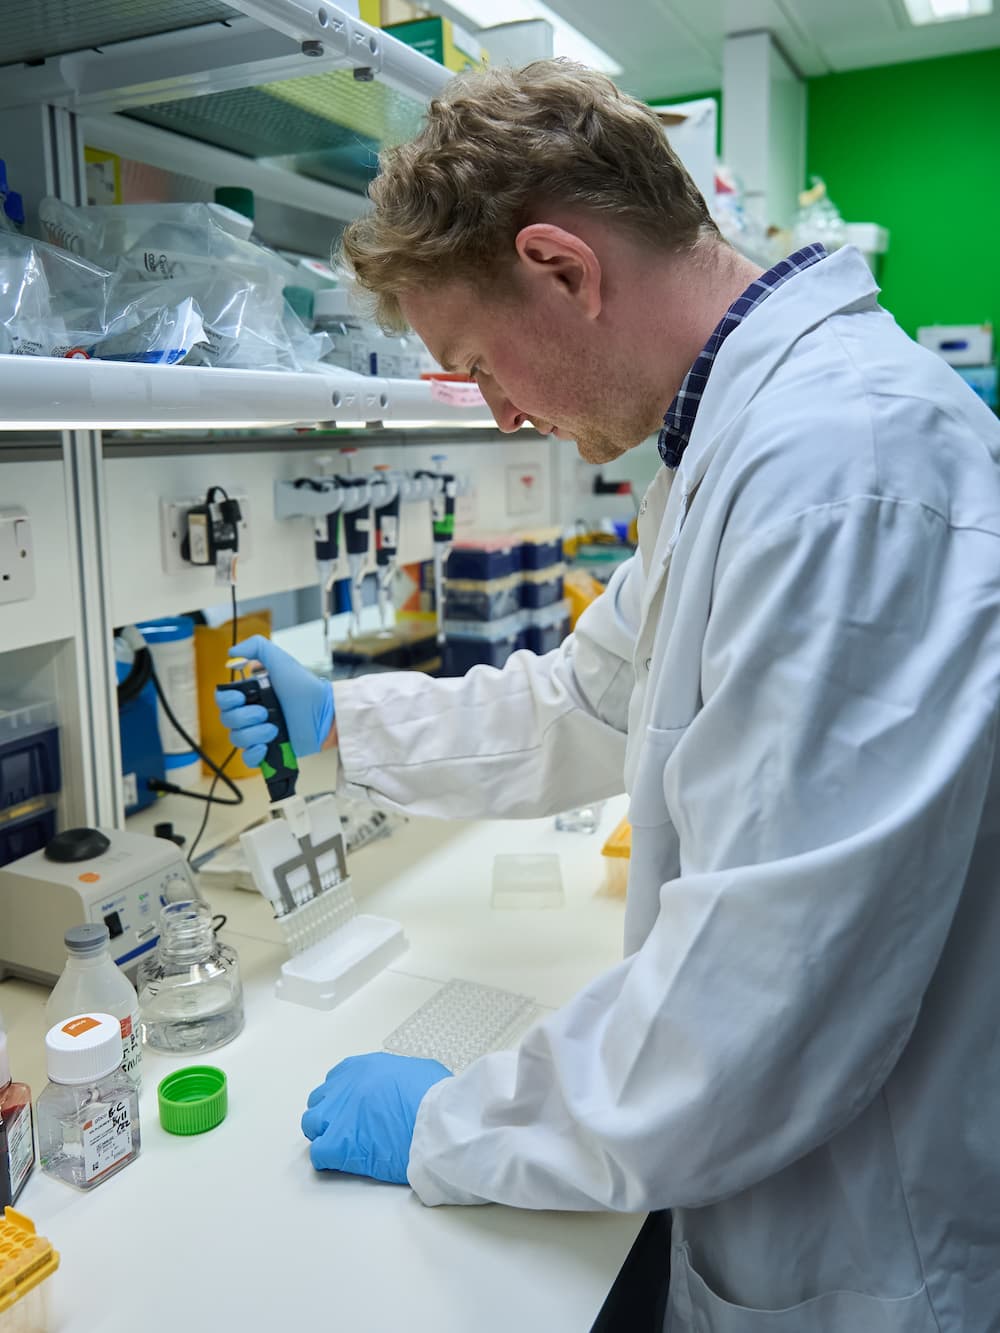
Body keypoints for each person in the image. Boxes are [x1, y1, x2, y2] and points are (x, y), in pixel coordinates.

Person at [216, 61, 1000, 1332]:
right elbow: (585, 703)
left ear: (562, 268)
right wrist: (347, 726)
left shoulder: (839, 468)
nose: (502, 413)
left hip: (875, 1233)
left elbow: (760, 1003)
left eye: (478, 362)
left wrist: (454, 1124)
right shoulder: (734, 450)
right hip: (789, 1187)